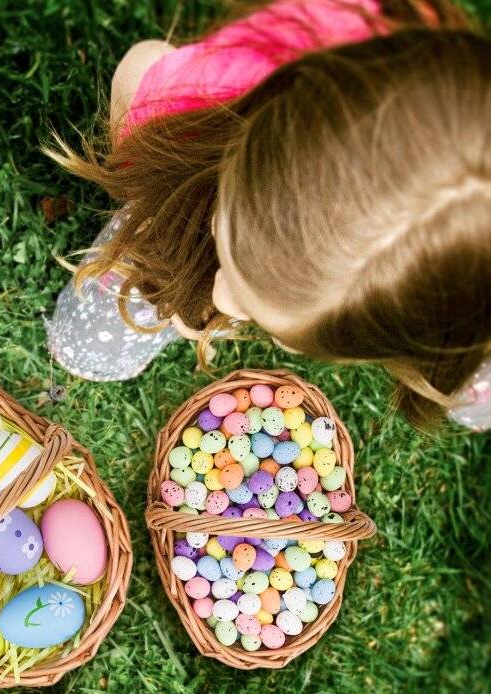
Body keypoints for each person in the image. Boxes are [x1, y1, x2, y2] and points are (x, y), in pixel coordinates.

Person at [46, 0, 490, 430]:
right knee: (96, 335)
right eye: (227, 240)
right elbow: (142, 63)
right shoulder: (203, 97)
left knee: (468, 356)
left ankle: (466, 363)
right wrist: (143, 158)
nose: (221, 301)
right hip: (194, 178)